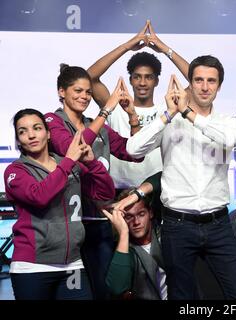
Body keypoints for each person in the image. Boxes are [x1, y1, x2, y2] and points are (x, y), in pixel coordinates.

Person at [126, 56, 236, 300]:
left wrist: (187, 112)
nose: (205, 87)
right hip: (177, 225)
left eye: (211, 81)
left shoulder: (228, 122)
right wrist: (168, 115)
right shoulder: (169, 123)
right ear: (190, 84)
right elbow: (133, 149)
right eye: (198, 80)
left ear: (219, 86)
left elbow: (228, 141)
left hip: (217, 224)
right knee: (182, 297)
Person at [44, 65, 142, 300]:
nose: (84, 97)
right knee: (76, 293)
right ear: (61, 92)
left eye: (88, 92)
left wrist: (132, 116)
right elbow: (74, 148)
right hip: (68, 224)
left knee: (107, 290)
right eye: (78, 91)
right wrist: (106, 109)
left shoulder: (98, 126)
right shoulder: (50, 120)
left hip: (99, 222)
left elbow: (134, 153)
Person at [4, 109, 115, 300]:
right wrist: (69, 161)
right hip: (32, 267)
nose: (31, 135)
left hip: (72, 265)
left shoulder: (69, 164)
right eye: (22, 131)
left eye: (37, 128)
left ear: (48, 134)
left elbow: (104, 193)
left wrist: (92, 163)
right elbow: (39, 196)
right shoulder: (15, 171)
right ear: (18, 140)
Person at [87, 20, 189, 192]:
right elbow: (89, 77)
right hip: (119, 190)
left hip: (155, 190)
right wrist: (127, 46)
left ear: (156, 81)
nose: (142, 82)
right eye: (137, 77)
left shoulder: (169, 109)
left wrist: (164, 48)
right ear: (130, 80)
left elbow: (196, 82)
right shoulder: (115, 106)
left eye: (149, 77)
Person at [103, 173, 166, 300]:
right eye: (129, 216)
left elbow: (165, 176)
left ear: (151, 213)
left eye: (141, 214)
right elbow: (116, 287)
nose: (136, 222)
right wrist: (124, 233)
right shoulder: (124, 249)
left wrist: (137, 194)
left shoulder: (166, 236)